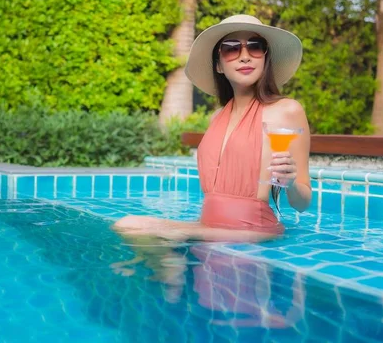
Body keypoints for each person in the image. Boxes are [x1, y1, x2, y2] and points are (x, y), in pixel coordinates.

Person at [113, 14, 312, 243]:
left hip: (253, 230)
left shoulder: (287, 110)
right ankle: (171, 274)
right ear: (218, 64)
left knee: (152, 231)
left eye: (255, 47)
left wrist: (291, 181)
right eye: (231, 49)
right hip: (210, 227)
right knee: (128, 225)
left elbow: (303, 204)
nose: (245, 57)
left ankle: (172, 273)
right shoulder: (216, 117)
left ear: (265, 58)